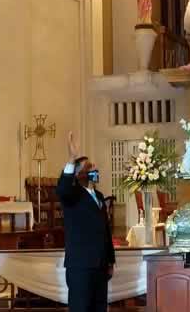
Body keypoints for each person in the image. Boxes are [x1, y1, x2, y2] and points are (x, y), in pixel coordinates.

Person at [57, 132, 116, 312]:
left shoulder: (98, 196)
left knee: (99, 308)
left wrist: (110, 261)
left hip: (100, 265)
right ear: (78, 173)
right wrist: (71, 159)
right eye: (89, 166)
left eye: (94, 166)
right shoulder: (72, 195)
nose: (94, 168)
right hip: (81, 265)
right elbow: (63, 189)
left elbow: (105, 231)